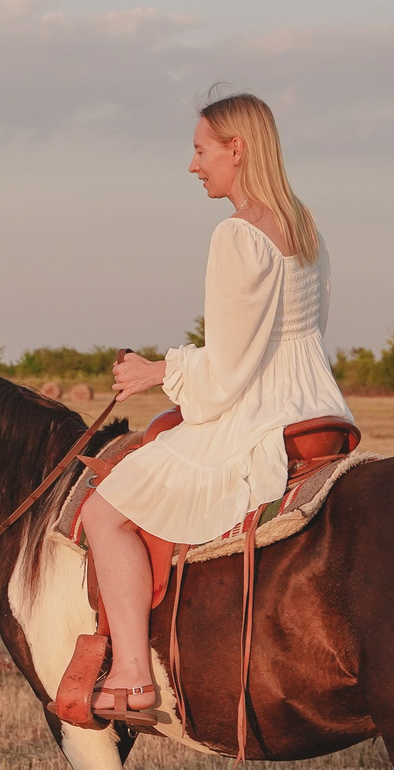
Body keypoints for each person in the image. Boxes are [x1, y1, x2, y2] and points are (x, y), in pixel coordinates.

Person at [85, 91, 355, 723]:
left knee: (106, 511)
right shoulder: (303, 224)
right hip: (317, 402)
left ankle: (130, 676)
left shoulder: (237, 234)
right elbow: (292, 337)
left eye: (200, 150)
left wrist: (159, 370)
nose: (193, 165)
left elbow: (231, 366)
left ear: (236, 149)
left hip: (259, 411)